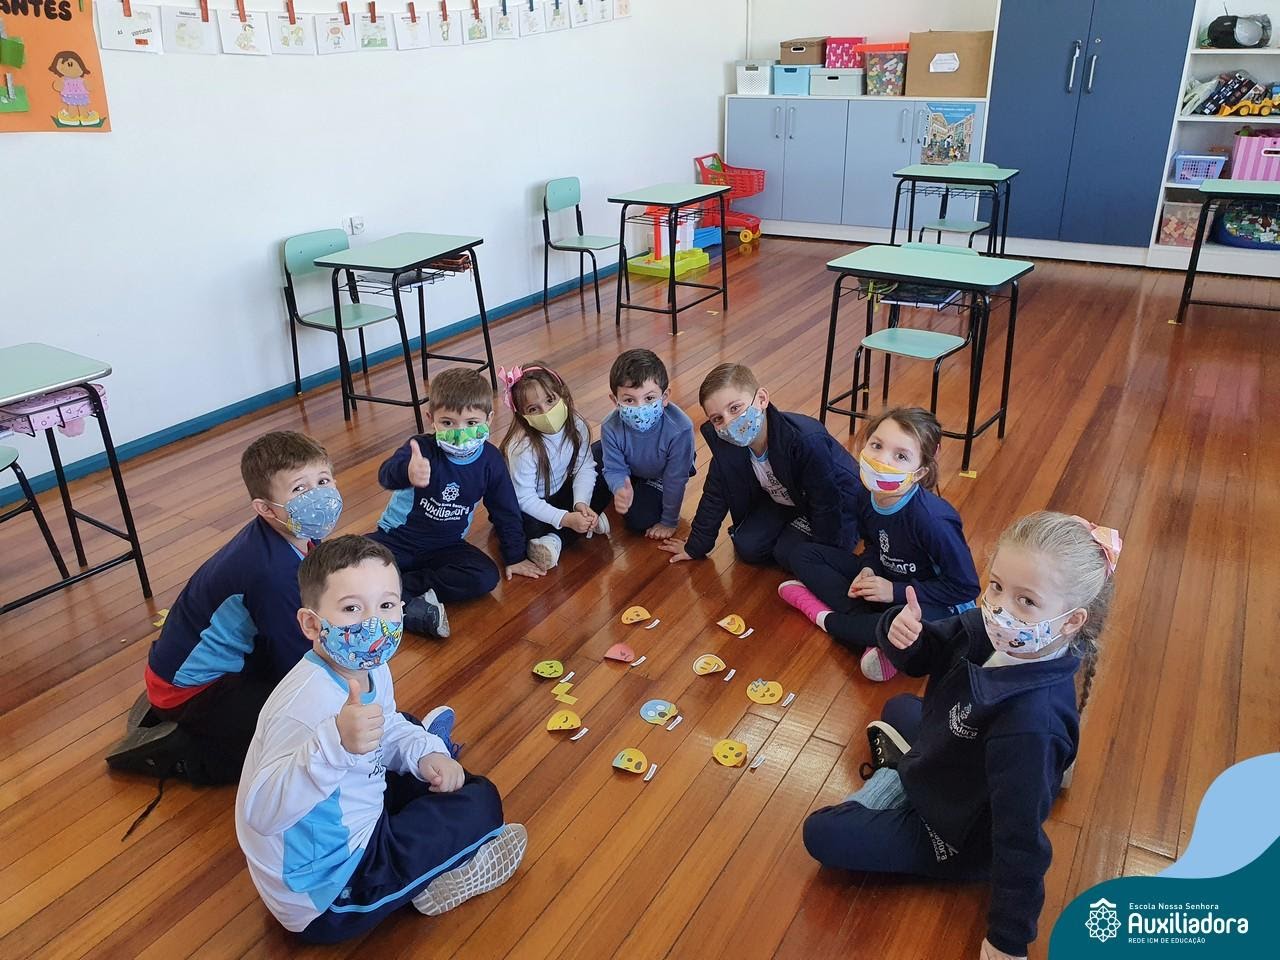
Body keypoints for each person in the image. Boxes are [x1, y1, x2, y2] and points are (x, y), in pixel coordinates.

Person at [802, 512, 1122, 960]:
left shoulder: (1031, 725)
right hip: (957, 755)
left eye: (1026, 601)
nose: (1000, 608)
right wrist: (903, 634)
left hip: (959, 835)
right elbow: (927, 654)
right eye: (997, 586)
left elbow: (1020, 840)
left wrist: (1008, 939)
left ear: (1071, 622)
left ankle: (897, 774)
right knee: (900, 707)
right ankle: (909, 768)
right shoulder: (993, 631)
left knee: (823, 833)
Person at [236, 535, 527, 943]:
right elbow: (261, 814)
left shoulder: (368, 664)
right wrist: (335, 744)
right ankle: (437, 877)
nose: (374, 624)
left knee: (421, 748)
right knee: (481, 803)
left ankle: (429, 749)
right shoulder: (304, 707)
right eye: (352, 608)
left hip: (356, 814)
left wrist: (424, 753)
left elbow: (386, 725)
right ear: (311, 624)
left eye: (387, 605)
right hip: (327, 897)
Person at [107, 431, 344, 784]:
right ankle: (184, 756)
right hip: (188, 691)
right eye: (300, 489)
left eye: (323, 481)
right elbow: (296, 663)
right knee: (298, 735)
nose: (318, 497)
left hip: (201, 665)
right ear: (265, 509)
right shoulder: (272, 572)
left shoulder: (290, 533)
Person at [778, 407, 979, 682]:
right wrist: (869, 568)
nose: (881, 459)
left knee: (914, 625)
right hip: (887, 580)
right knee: (803, 554)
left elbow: (965, 588)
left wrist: (894, 591)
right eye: (876, 445)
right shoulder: (866, 494)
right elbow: (873, 545)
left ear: (919, 472)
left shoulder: (933, 520)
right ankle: (877, 635)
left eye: (901, 456)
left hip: (933, 602)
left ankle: (824, 617)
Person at [371, 367, 544, 638]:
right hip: (397, 540)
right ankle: (397, 598)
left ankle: (398, 590)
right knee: (352, 564)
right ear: (431, 419)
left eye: (472, 423)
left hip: (447, 547)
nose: (460, 432)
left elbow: (506, 510)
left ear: (489, 418)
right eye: (448, 423)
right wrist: (406, 472)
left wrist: (515, 556)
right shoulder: (421, 449)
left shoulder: (490, 461)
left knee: (485, 576)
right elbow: (386, 475)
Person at [660, 362, 858, 571]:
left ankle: (841, 531)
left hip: (840, 504)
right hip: (788, 501)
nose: (728, 422)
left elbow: (826, 501)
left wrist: (823, 556)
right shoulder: (728, 446)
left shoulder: (805, 440)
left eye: (735, 408)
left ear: (762, 399)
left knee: (788, 553)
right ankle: (794, 532)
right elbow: (715, 496)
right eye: (717, 419)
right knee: (748, 546)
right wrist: (695, 547)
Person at [499, 361, 611, 572]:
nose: (546, 411)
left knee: (605, 481)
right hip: (528, 504)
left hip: (560, 491)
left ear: (562, 394)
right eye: (533, 409)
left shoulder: (576, 424)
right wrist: (566, 519)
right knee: (525, 528)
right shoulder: (522, 447)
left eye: (550, 400)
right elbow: (524, 499)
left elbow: (584, 467)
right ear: (522, 415)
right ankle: (566, 534)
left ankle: (568, 529)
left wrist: (581, 503)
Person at [595, 348, 695, 541]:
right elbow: (614, 469)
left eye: (649, 398)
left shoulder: (680, 429)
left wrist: (669, 521)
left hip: (664, 472)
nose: (640, 407)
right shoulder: (610, 426)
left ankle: (647, 485)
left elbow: (675, 479)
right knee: (593, 458)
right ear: (615, 401)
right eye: (629, 400)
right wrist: (619, 487)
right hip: (633, 463)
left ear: (665, 397)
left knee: (638, 519)